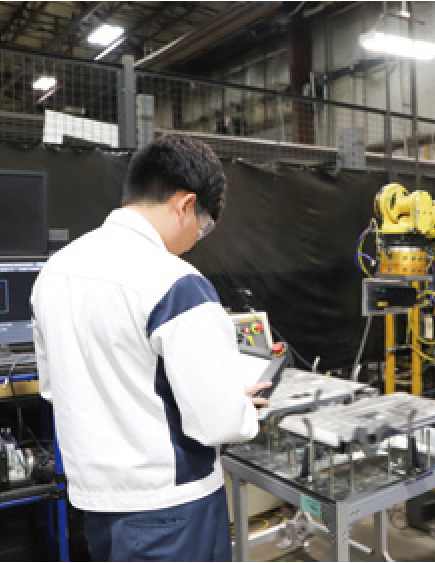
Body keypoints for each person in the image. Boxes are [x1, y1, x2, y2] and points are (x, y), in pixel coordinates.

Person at [31, 136, 269, 563]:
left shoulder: (55, 271)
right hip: (173, 509)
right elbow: (216, 422)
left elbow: (54, 387)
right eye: (205, 224)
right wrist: (242, 410)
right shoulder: (176, 282)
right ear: (184, 204)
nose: (199, 237)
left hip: (95, 504)